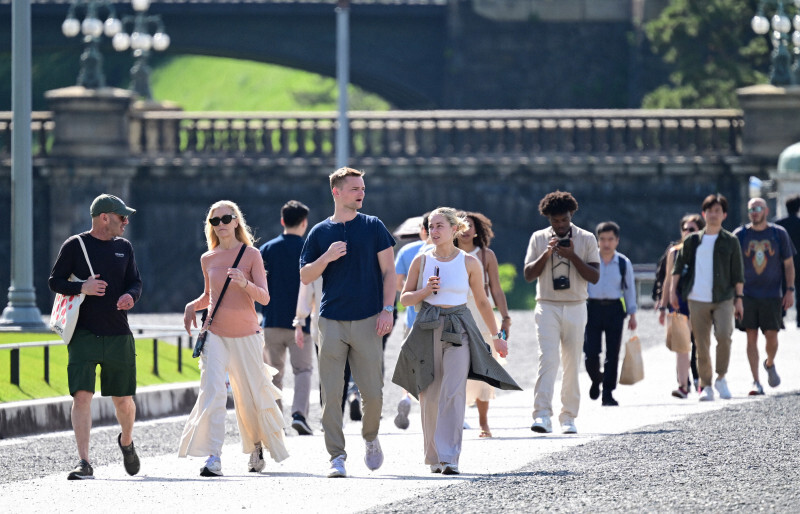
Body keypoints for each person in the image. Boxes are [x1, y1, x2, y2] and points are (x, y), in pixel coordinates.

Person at [392, 207, 519, 475]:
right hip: (427, 327)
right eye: (431, 226)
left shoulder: (469, 263)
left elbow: (483, 302)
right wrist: (425, 291)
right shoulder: (421, 261)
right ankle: (434, 457)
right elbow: (404, 299)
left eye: (440, 226)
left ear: (454, 229)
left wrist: (497, 336)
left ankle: (450, 457)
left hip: (459, 328)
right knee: (429, 394)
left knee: (454, 391)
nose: (434, 231)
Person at [179, 200, 288, 476]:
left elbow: (264, 296)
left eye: (226, 219)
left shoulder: (251, 255)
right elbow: (210, 296)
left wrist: (245, 283)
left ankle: (255, 447)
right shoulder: (208, 258)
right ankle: (213, 457)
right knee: (213, 392)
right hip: (214, 332)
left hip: (247, 334)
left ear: (236, 221)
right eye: (215, 221)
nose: (221, 225)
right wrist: (193, 305)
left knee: (249, 395)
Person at [299, 167, 396, 478]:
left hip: (369, 319)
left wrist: (387, 309)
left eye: (363, 188)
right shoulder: (318, 233)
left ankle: (370, 438)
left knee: (374, 393)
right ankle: (336, 457)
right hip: (330, 321)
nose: (361, 193)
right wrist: (326, 257)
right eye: (355, 188)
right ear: (336, 192)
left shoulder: (374, 226)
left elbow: (389, 273)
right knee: (331, 393)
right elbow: (305, 275)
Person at [48, 193, 143, 481]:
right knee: (81, 396)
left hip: (118, 333)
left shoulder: (124, 247)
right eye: (121, 217)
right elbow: (55, 281)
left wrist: (130, 296)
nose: (125, 222)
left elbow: (135, 281)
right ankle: (84, 461)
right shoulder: (75, 246)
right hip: (84, 334)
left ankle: (126, 441)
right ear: (105, 217)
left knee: (123, 401)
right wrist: (81, 288)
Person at [523, 191, 599, 435]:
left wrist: (572, 255)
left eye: (564, 220)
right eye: (555, 221)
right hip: (547, 304)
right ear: (548, 219)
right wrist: (547, 253)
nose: (560, 225)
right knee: (548, 359)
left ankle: (568, 417)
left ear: (571, 215)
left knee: (571, 361)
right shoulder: (538, 238)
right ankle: (542, 415)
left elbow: (594, 276)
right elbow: (528, 275)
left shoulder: (586, 238)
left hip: (576, 304)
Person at [670, 194, 744, 402]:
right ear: (704, 214)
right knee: (701, 344)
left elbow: (738, 272)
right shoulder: (693, 240)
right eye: (710, 211)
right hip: (697, 297)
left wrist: (739, 299)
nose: (713, 215)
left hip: (723, 297)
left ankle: (721, 377)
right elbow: (678, 267)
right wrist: (672, 292)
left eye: (717, 211)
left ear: (724, 215)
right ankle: (706, 385)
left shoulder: (731, 241)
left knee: (723, 336)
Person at [454, 210, 512, 438]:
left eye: (470, 225)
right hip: (456, 313)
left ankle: (483, 423)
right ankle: (456, 419)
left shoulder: (486, 255)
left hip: (483, 314)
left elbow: (496, 289)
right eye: (462, 225)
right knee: (455, 367)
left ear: (478, 230)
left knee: (484, 367)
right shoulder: (447, 254)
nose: (466, 230)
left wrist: (506, 317)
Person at [259, 200, 315, 436]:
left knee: (274, 373)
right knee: (303, 370)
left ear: (282, 220)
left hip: (271, 321)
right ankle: (299, 414)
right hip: (301, 323)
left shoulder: (267, 250)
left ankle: (276, 420)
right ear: (304, 223)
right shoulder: (310, 249)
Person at [733, 197, 796, 395]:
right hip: (747, 294)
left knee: (772, 337)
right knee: (750, 337)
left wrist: (790, 290)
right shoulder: (740, 235)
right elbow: (734, 267)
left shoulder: (779, 234)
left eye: (758, 208)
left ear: (766, 211)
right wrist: (737, 297)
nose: (755, 212)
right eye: (751, 208)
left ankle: (769, 363)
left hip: (772, 295)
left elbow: (788, 264)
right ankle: (755, 381)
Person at [584, 221, 638, 407]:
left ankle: (608, 392)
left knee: (612, 353)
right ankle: (596, 378)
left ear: (617, 241)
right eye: (603, 239)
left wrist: (632, 314)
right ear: (597, 240)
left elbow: (629, 289)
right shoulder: (589, 261)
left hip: (615, 309)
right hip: (592, 308)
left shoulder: (623, 263)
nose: (606, 243)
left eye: (610, 239)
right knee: (590, 352)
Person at [657, 214, 705, 398]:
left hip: (699, 301)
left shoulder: (703, 250)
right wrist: (663, 305)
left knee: (700, 345)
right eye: (684, 229)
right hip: (678, 303)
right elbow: (668, 279)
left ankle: (702, 382)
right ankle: (683, 385)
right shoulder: (674, 251)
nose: (687, 232)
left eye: (691, 229)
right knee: (681, 347)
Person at [392, 212, 431, 430]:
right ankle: (432, 407)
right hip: (435, 315)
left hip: (412, 316)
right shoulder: (444, 253)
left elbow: (399, 284)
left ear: (421, 230)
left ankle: (406, 397)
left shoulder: (407, 251)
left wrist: (412, 288)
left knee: (411, 360)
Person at [775, 194, 800, 327]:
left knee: (783, 290)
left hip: (783, 263)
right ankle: (799, 319)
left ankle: (781, 317)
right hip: (799, 263)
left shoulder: (779, 225)